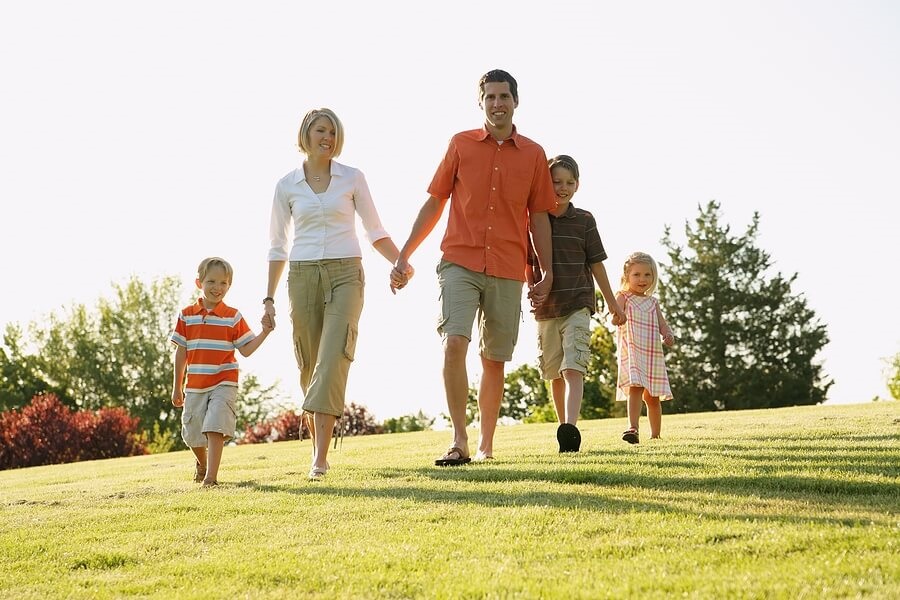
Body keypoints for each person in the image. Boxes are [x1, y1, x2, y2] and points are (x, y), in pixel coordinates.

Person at [392, 69, 557, 466]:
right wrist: (404, 253)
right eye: (490, 97)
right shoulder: (460, 144)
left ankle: (486, 444)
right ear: (480, 102)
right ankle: (459, 440)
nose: (497, 104)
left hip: (507, 265)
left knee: (494, 359)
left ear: (516, 101)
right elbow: (435, 201)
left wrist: (546, 272)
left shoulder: (534, 154)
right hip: (459, 260)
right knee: (454, 343)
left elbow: (539, 217)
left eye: (504, 96)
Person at [265, 107, 404, 480]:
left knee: (331, 359)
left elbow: (375, 230)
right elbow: (277, 246)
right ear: (306, 134)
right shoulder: (286, 185)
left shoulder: (353, 178)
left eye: (333, 132)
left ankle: (320, 459)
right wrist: (268, 299)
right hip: (302, 275)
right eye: (321, 131)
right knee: (309, 366)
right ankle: (317, 447)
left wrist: (400, 261)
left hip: (346, 274)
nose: (328, 138)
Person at [525, 155, 626, 453]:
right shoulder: (533, 219)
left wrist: (612, 304)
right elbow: (526, 262)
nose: (563, 187)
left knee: (574, 367)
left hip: (579, 302)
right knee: (554, 372)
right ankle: (563, 430)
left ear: (577, 185)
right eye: (556, 181)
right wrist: (529, 290)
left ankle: (571, 427)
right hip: (546, 309)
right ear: (546, 183)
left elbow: (597, 265)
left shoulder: (584, 220)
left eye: (569, 182)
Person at [170, 256, 273, 487]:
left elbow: (246, 350)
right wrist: (177, 387)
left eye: (223, 283)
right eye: (211, 282)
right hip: (195, 384)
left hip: (223, 382)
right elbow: (180, 353)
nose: (217, 288)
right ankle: (202, 463)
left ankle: (211, 478)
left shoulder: (232, 316)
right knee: (193, 434)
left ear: (229, 285)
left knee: (216, 426)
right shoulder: (186, 315)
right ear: (200, 283)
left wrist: (264, 333)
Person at [615, 252, 675, 444]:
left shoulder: (652, 302)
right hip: (633, 352)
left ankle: (656, 435)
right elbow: (615, 311)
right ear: (627, 276)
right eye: (637, 275)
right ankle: (633, 428)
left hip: (652, 354)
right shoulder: (624, 297)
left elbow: (662, 324)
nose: (642, 279)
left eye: (647, 275)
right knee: (635, 388)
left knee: (652, 397)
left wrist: (668, 334)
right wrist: (616, 316)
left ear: (653, 276)